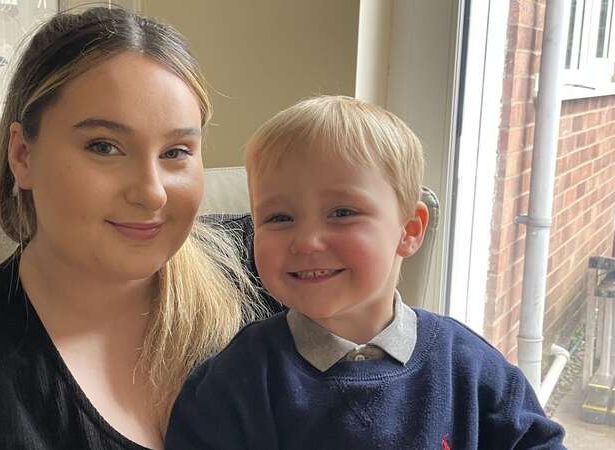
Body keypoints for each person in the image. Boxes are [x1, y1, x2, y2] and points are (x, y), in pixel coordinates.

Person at [0, 7, 266, 449]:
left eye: (176, 152)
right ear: (22, 155)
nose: (152, 194)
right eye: (104, 146)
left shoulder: (268, 272)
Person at [165, 96, 567, 450]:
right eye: (279, 217)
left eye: (342, 213)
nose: (306, 241)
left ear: (409, 230)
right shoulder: (237, 382)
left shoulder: (469, 367)